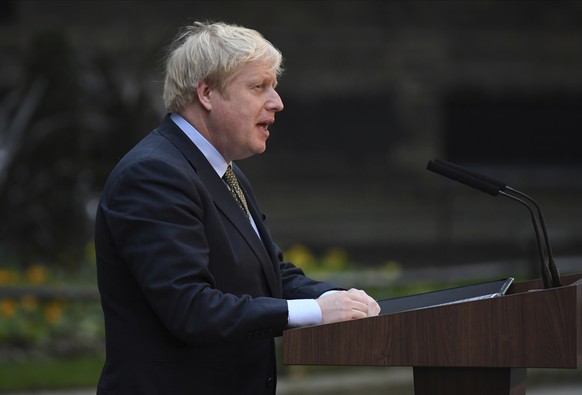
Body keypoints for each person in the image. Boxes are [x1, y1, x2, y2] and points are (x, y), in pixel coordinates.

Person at [95, 20, 380, 395]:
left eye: (273, 87)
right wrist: (315, 314)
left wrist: (335, 299)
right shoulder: (154, 174)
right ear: (207, 93)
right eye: (258, 86)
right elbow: (191, 308)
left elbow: (269, 274)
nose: (277, 102)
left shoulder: (223, 169)